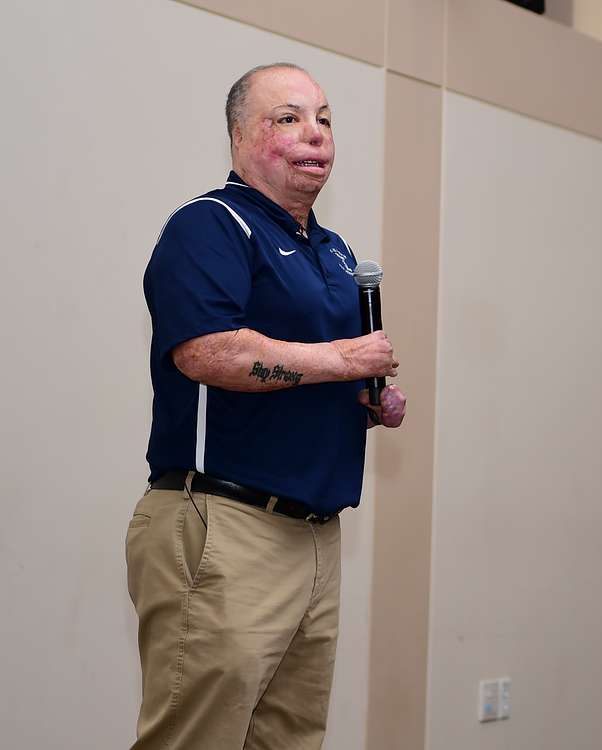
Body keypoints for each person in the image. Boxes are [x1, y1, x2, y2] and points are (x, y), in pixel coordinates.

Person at [125, 62, 406, 750]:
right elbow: (207, 352)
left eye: (325, 120)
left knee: (288, 740)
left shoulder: (335, 253)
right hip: (225, 526)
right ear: (240, 136)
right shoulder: (210, 225)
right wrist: (342, 360)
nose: (315, 135)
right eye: (288, 119)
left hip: (315, 533)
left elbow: (310, 372)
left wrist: (365, 396)